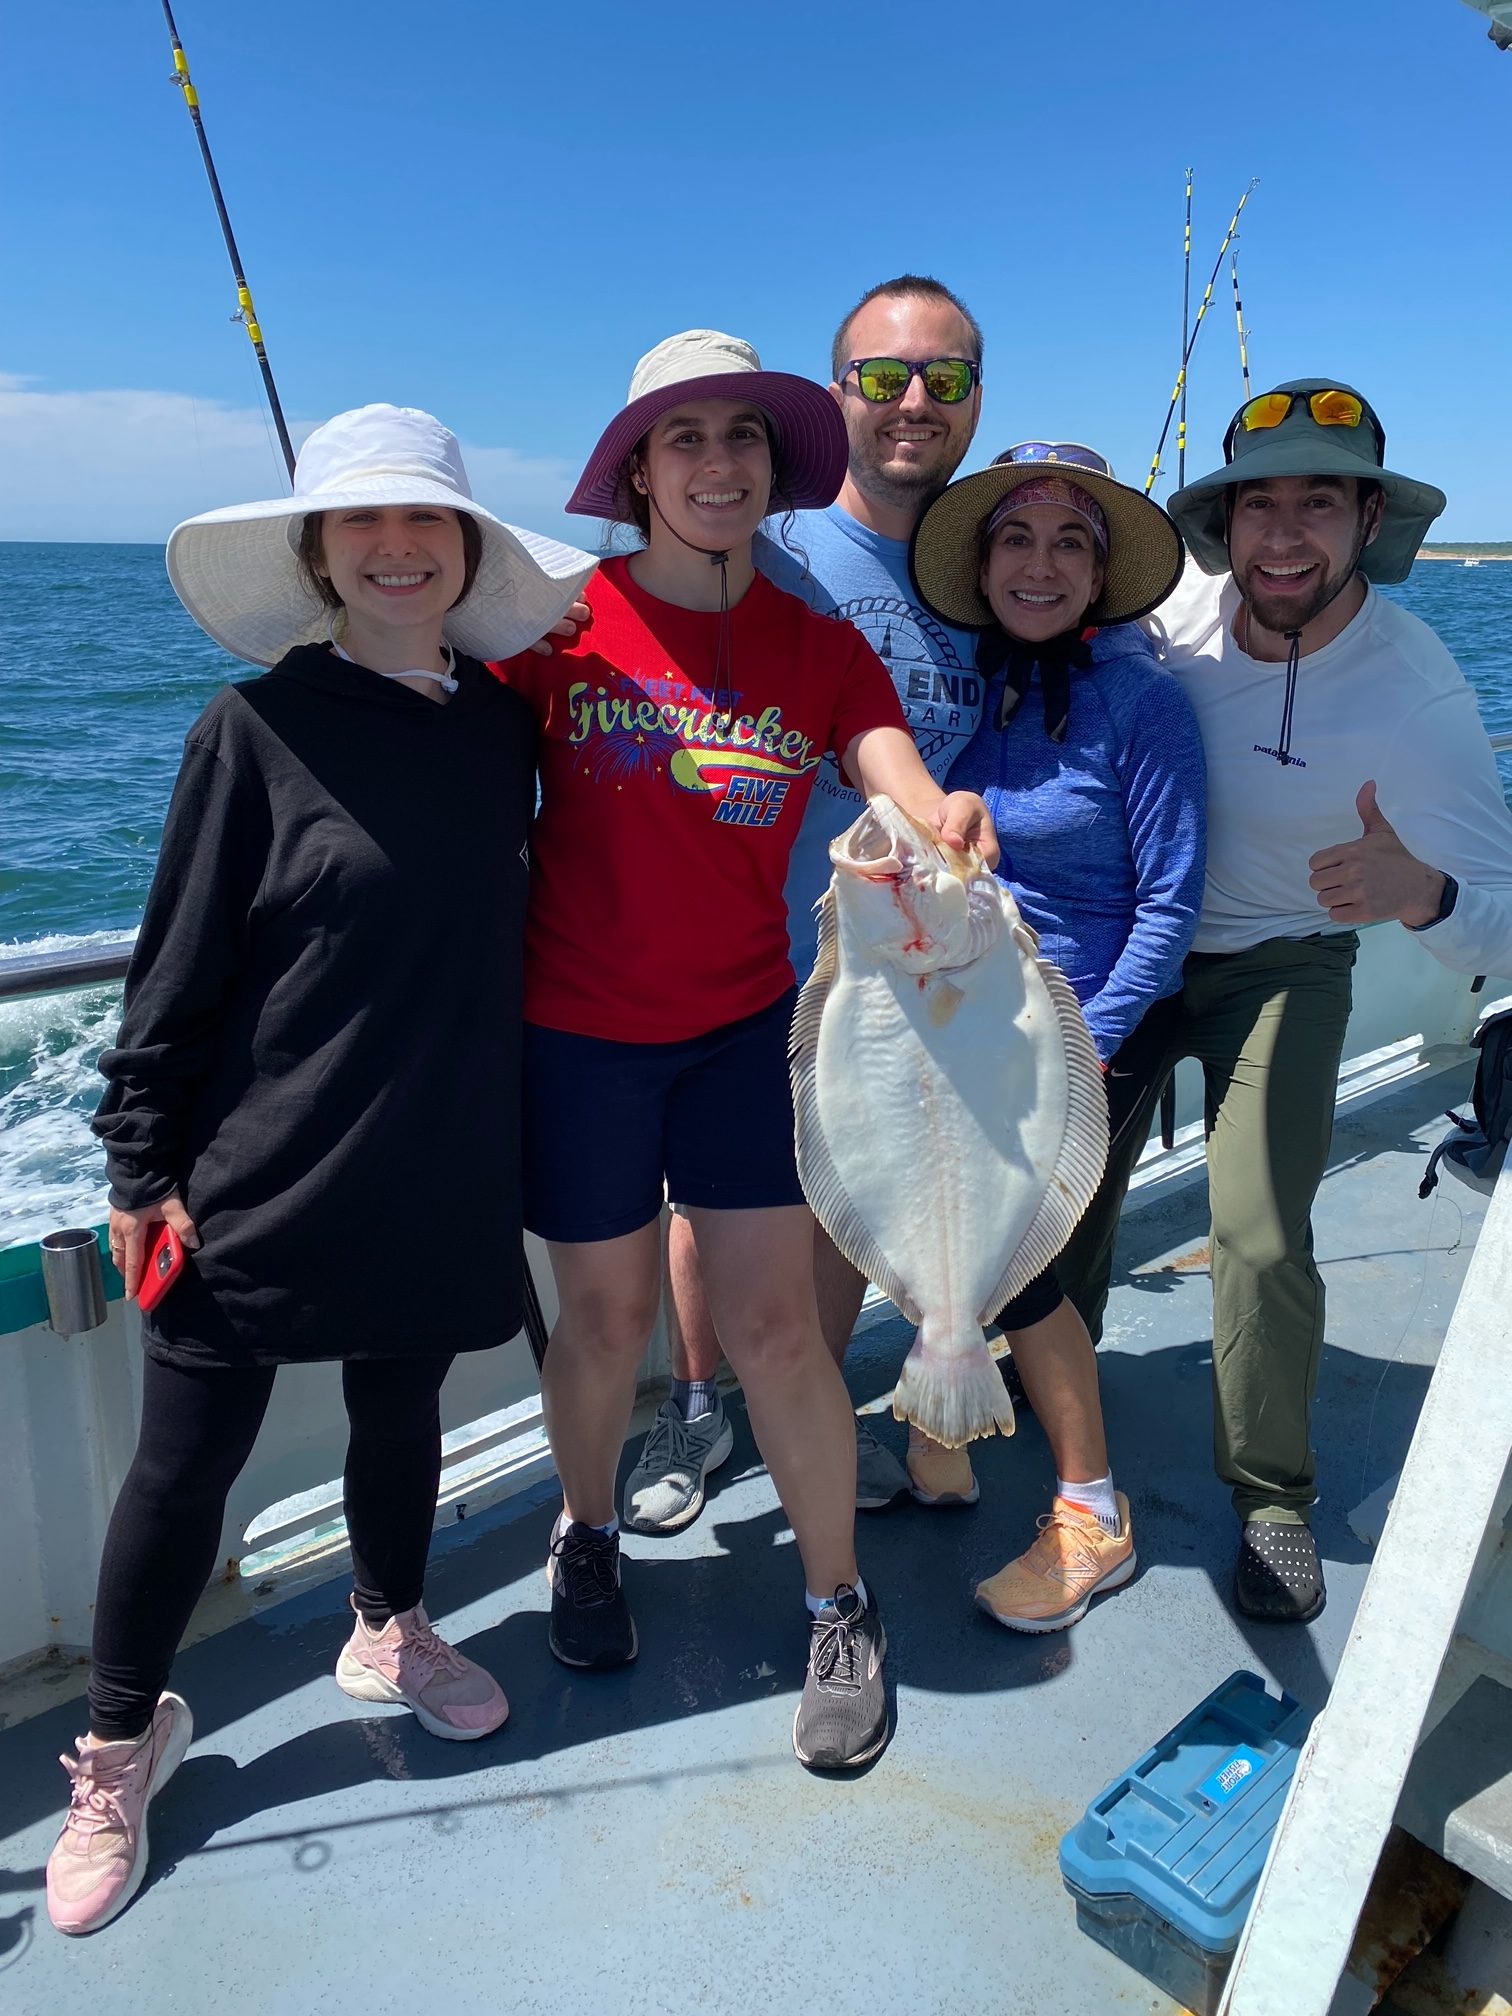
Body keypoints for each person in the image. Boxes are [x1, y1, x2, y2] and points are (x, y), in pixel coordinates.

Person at [44, 405, 597, 1937]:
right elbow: (174, 972)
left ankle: (388, 1626)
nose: (397, 547)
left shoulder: (503, 728)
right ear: (317, 553)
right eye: (363, 521)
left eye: (426, 521)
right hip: (257, 1169)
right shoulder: (250, 729)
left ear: (468, 551)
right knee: (184, 1467)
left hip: (443, 1152)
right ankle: (118, 1746)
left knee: (400, 1411)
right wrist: (141, 1169)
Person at [493, 329, 995, 1769]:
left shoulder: (819, 648)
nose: (718, 463)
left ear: (775, 469)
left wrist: (940, 820)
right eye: (686, 438)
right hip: (576, 1038)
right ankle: (586, 1536)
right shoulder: (554, 629)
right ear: (638, 472)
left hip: (740, 1035)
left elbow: (893, 771)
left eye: (744, 438)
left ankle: (839, 1602)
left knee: (776, 1333)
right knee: (604, 1326)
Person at [1139, 380, 1512, 1622]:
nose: (1285, 535)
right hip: (1137, 947)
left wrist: (1423, 892)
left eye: (1319, 503)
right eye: (1259, 504)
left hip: (1283, 960)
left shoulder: (1417, 693)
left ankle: (1270, 1497)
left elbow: (1506, 918)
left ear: (1369, 521)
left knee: (1254, 1229)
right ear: (1223, 522)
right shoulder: (1174, 613)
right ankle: (1038, 1381)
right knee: (1065, 1213)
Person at [626, 275, 988, 1535]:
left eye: (944, 378)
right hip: (747, 955)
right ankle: (694, 1406)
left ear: (976, 400)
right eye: (883, 376)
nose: (913, 401)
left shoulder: (983, 569)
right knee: (707, 1201)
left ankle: (814, 1411)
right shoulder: (769, 548)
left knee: (845, 1208)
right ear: (838, 399)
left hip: (905, 970)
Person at [906, 443, 1204, 1627]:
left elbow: (1170, 906)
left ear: (1100, 574)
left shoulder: (1145, 702)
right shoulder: (969, 690)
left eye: (1070, 542)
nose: (1041, 565)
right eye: (1017, 540)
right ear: (983, 569)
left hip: (1077, 1036)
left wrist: (1089, 1044)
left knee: (1017, 1269)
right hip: (961, 1024)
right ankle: (940, 1443)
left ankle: (1092, 1512)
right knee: (931, 1241)